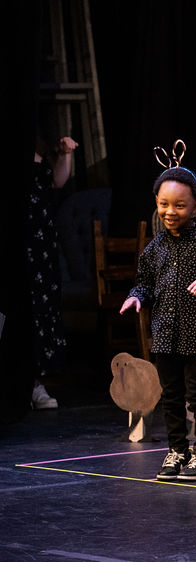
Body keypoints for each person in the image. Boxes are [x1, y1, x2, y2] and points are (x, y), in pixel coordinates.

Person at [121, 164, 196, 481]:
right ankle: (177, 451)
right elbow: (144, 281)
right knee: (170, 396)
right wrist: (137, 296)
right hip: (164, 335)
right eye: (164, 204)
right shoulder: (155, 247)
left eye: (180, 205)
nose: (170, 211)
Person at [28, 134, 77, 409]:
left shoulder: (39, 150)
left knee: (40, 312)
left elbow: (56, 182)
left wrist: (65, 154)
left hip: (40, 244)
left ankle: (35, 384)